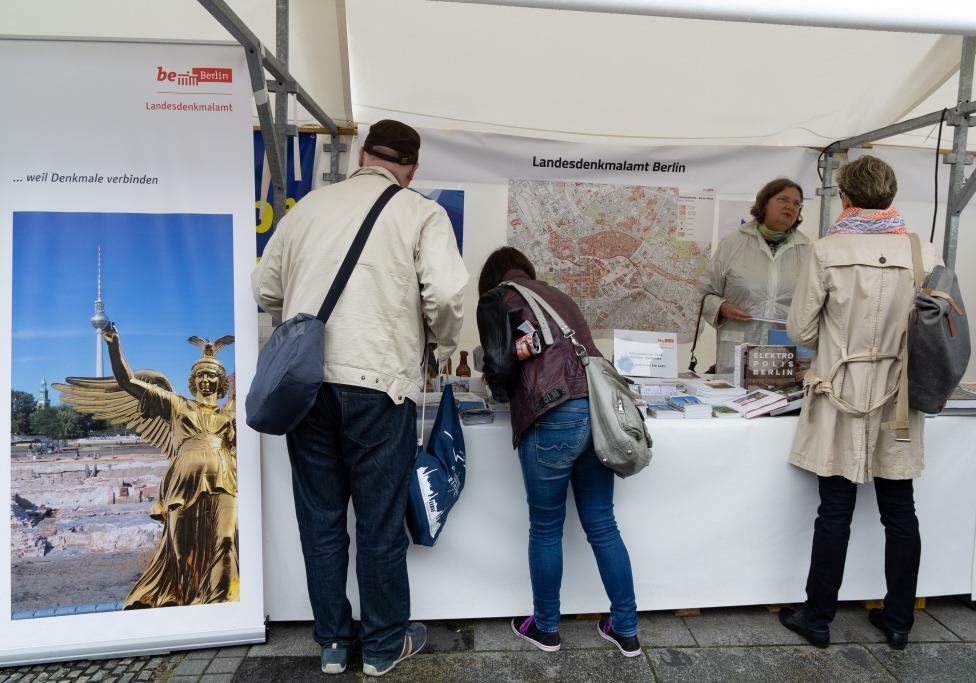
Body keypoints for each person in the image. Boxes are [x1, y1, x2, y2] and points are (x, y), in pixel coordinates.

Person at [251, 119, 468, 676]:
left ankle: (330, 643)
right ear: (412, 168)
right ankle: (381, 648)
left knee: (320, 518)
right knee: (378, 522)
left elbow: (264, 288)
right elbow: (445, 293)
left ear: (362, 155)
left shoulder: (310, 208)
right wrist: (441, 346)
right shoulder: (422, 213)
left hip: (306, 386)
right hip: (378, 387)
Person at [778, 155, 940, 651]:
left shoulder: (827, 249)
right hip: (900, 395)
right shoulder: (923, 252)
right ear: (890, 197)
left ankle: (818, 618)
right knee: (900, 511)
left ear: (845, 197)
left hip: (839, 392)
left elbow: (801, 331)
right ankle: (898, 622)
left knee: (835, 509)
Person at [476, 246, 642, 658]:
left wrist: (497, 374)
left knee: (547, 527)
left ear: (491, 277)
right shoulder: (559, 295)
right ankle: (625, 628)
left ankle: (546, 627)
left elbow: (498, 368)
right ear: (527, 270)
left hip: (550, 415)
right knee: (603, 524)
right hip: (596, 412)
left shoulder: (496, 298)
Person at [57, 328, 238, 609]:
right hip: (183, 483)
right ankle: (178, 599)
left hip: (225, 480)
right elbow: (127, 381)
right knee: (180, 550)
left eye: (212, 376)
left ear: (221, 382)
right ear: (193, 381)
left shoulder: (232, 412)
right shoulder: (177, 406)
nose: (206, 380)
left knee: (226, 541)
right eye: (201, 375)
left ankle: (224, 603)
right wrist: (114, 346)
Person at [698, 178, 811, 374]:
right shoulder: (733, 243)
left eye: (796, 204)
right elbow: (704, 294)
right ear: (764, 203)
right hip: (738, 350)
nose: (790, 207)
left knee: (784, 402)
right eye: (783, 199)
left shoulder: (808, 250)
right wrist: (722, 307)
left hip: (784, 357)